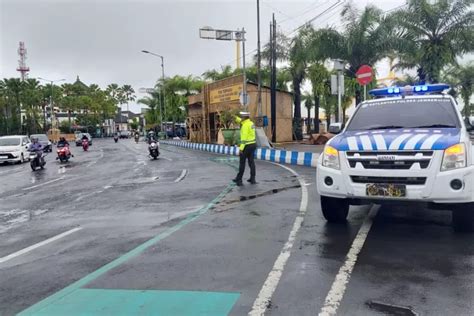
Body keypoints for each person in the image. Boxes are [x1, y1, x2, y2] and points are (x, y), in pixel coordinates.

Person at [233, 111, 257, 186]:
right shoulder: (251, 123)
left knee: (242, 163)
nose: (241, 118)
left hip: (246, 146)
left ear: (244, 117)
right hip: (253, 144)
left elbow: (244, 138)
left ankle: (239, 180)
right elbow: (241, 121)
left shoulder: (245, 126)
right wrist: (234, 117)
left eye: (241, 117)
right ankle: (252, 179)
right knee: (251, 162)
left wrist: (241, 149)